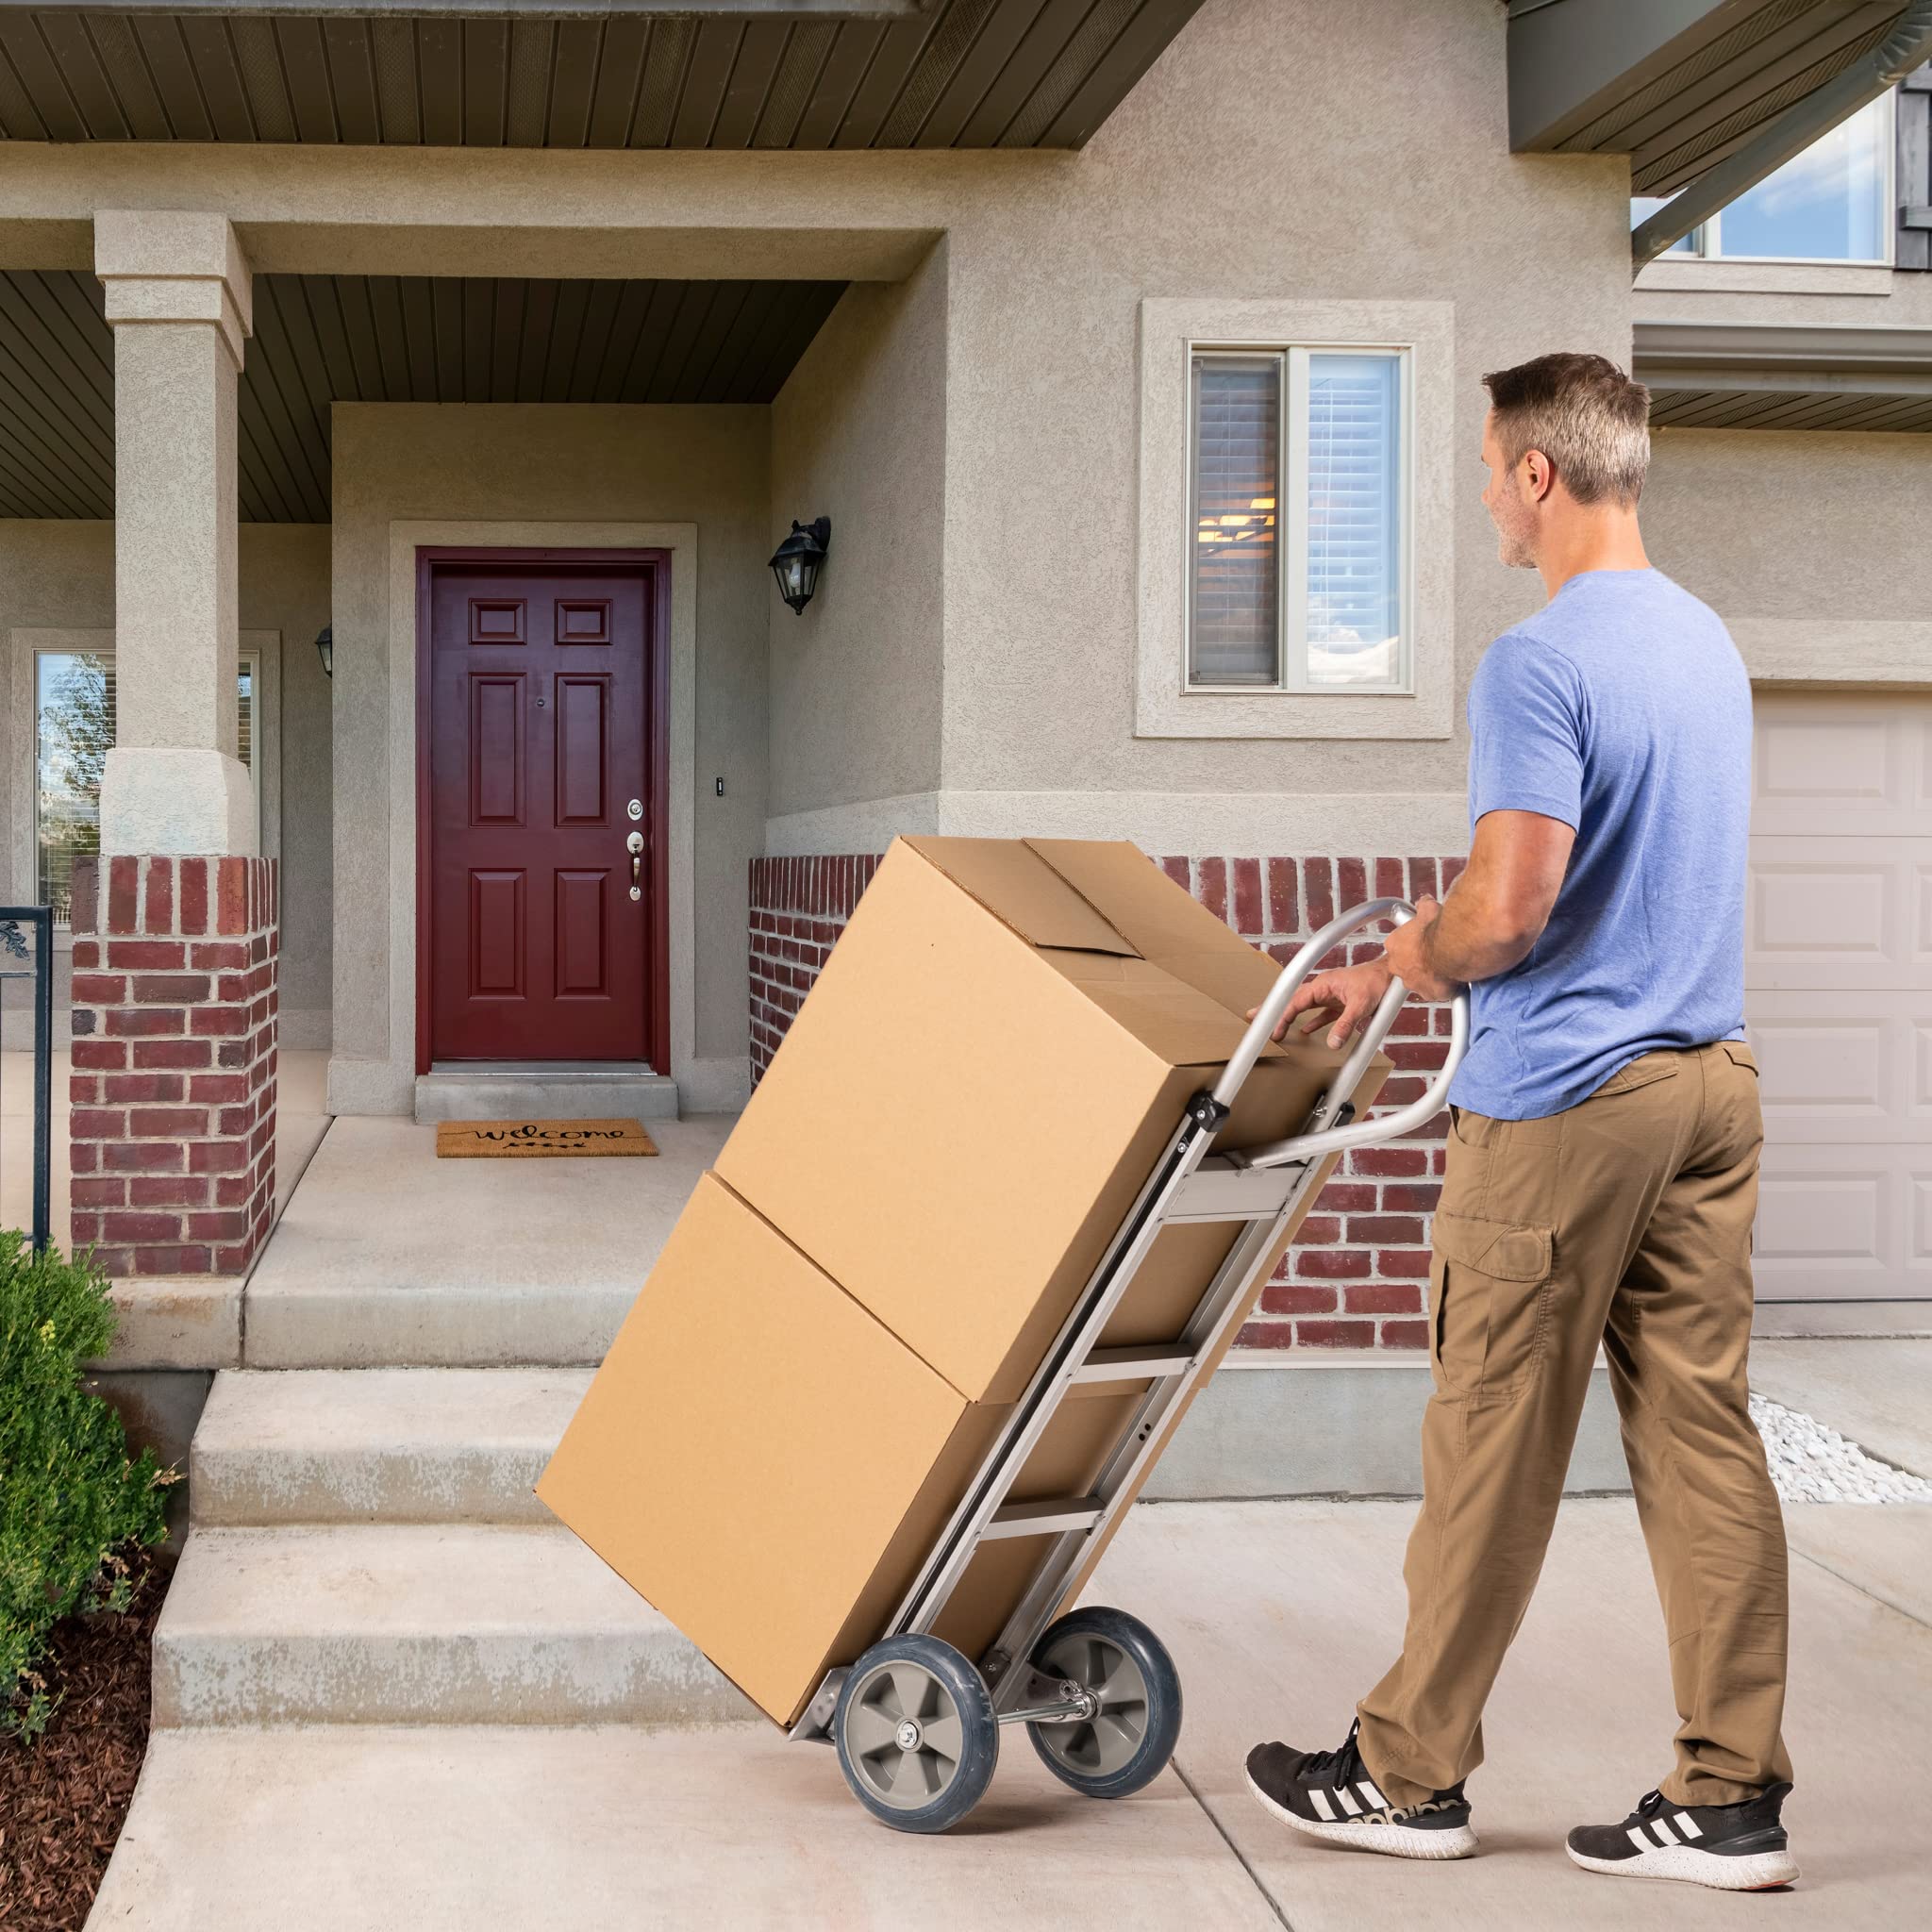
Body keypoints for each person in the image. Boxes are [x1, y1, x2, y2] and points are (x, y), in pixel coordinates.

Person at [1242, 353, 1796, 1893]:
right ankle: (1731, 1796)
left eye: (1491, 469)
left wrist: (1396, 963)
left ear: (1540, 476)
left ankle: (1408, 1778)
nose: (1485, 495)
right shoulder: (1703, 644)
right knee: (1704, 1441)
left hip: (1565, 1105)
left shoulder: (1538, 662)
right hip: (1709, 1084)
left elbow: (1510, 908)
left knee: (1491, 1433)